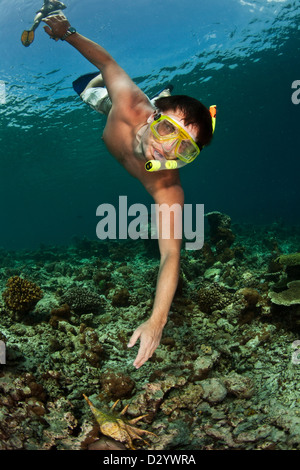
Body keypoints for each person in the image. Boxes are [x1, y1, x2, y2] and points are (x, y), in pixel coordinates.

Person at [42, 14, 216, 369]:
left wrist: (157, 321)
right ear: (154, 118)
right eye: (168, 131)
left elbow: (171, 256)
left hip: (130, 123)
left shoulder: (167, 185)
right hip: (120, 113)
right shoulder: (134, 106)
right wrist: (67, 32)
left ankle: (178, 108)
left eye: (184, 150)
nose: (168, 152)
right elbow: (106, 61)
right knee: (102, 96)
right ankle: (161, 98)